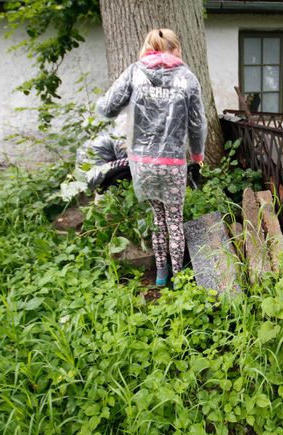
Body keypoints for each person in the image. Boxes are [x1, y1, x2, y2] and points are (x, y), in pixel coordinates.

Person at [97, 28, 207, 287]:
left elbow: (107, 107)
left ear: (148, 47)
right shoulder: (187, 78)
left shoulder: (135, 72)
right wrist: (198, 153)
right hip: (172, 164)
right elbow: (197, 124)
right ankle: (179, 278)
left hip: (143, 164)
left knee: (158, 218)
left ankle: (160, 274)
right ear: (176, 48)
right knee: (175, 220)